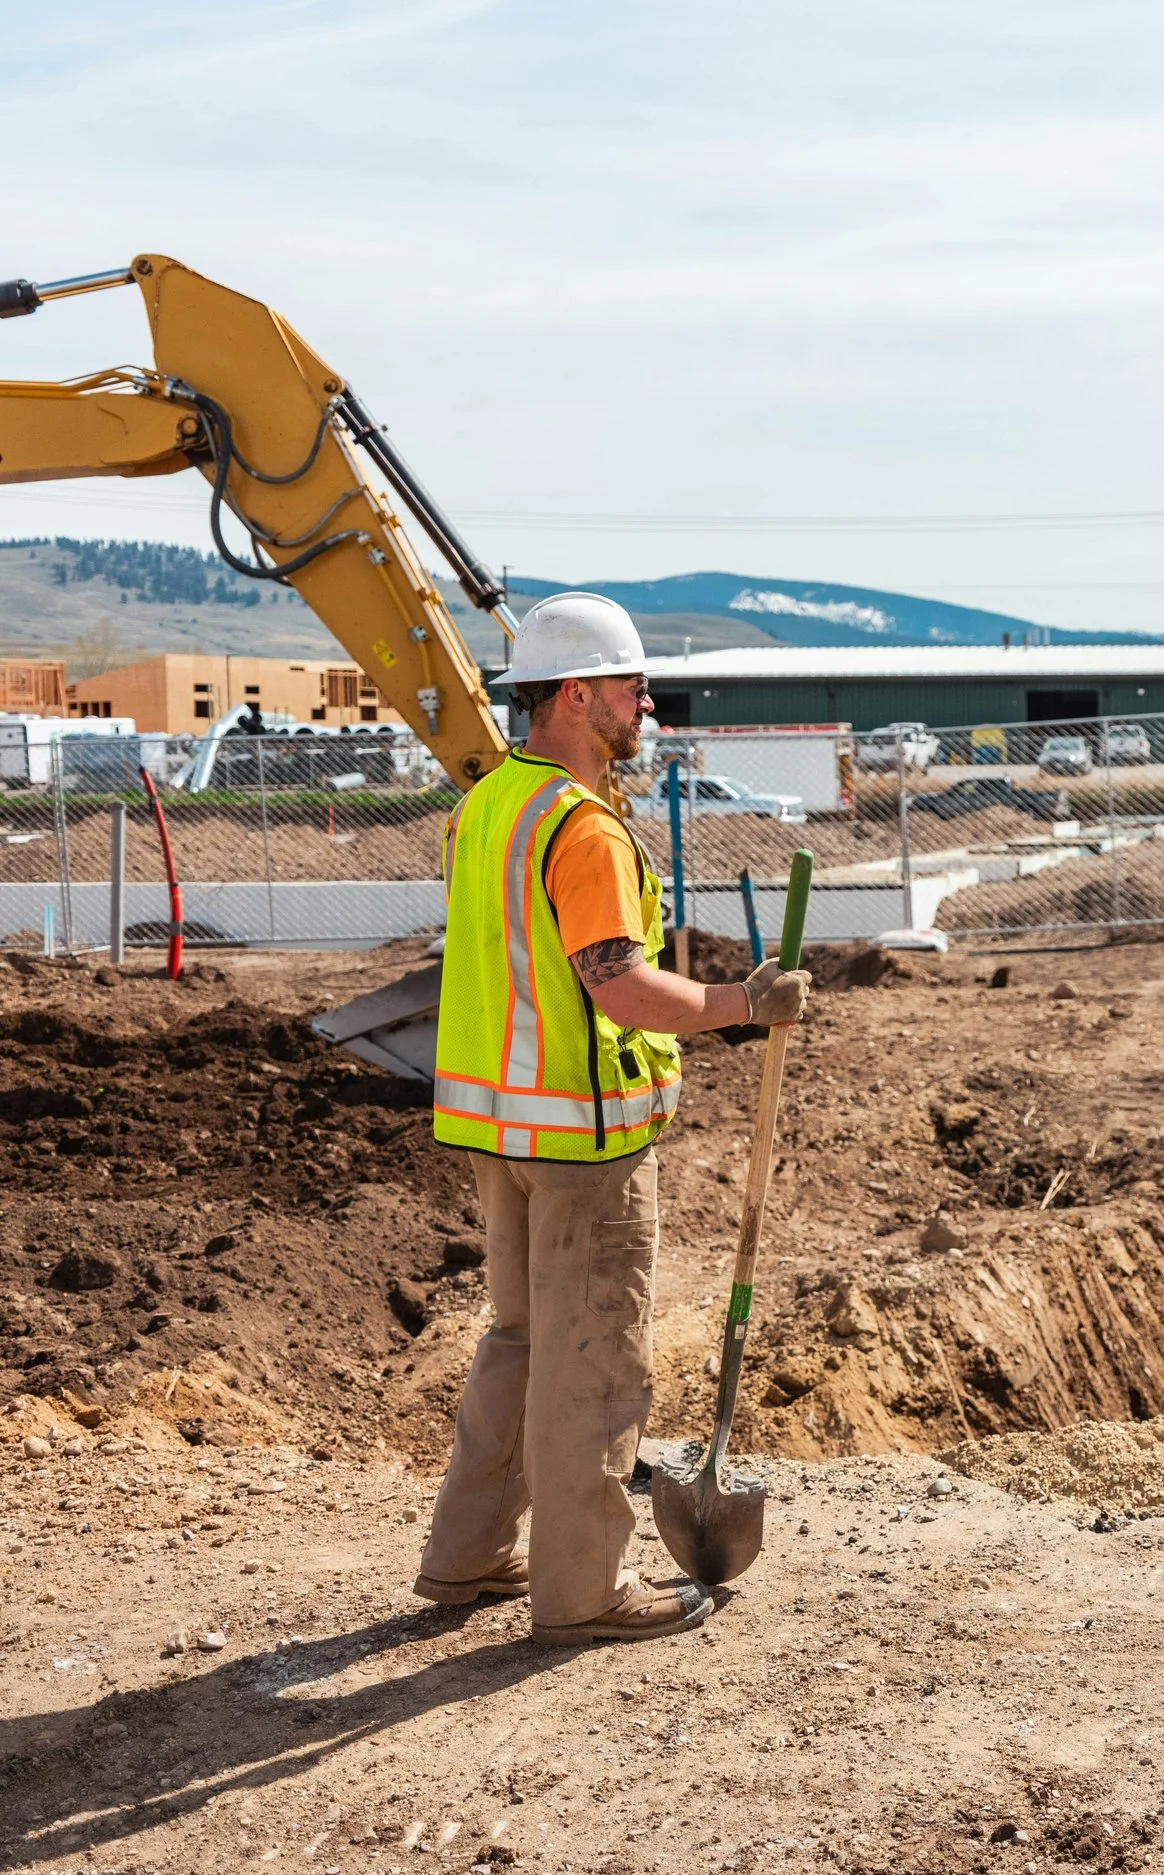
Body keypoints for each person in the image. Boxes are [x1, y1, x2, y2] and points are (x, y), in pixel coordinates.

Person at [414, 593, 811, 1645]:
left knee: (517, 1342)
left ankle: (467, 1557)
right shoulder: (579, 828)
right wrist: (742, 1006)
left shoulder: (490, 804)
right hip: (584, 1142)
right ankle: (584, 1592)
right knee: (591, 1361)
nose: (648, 704)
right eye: (635, 687)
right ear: (579, 696)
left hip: (500, 1126)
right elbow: (618, 988)